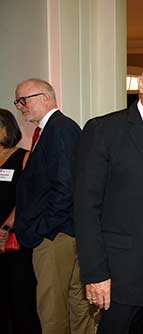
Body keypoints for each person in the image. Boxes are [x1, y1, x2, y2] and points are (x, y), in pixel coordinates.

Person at [74, 57, 143, 334]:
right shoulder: (104, 130)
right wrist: (96, 273)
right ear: (142, 85)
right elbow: (86, 208)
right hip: (120, 272)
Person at [13, 79, 96, 334]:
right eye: (18, 102)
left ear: (46, 97)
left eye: (24, 100)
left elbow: (65, 187)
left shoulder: (59, 129)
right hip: (62, 233)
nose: (20, 106)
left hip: (55, 236)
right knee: (75, 307)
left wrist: (42, 229)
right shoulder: (54, 129)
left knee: (53, 313)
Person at [0, 108, 40, 334]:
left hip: (15, 239)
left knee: (21, 300)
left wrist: (5, 227)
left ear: (6, 129)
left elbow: (27, 199)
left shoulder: (24, 157)